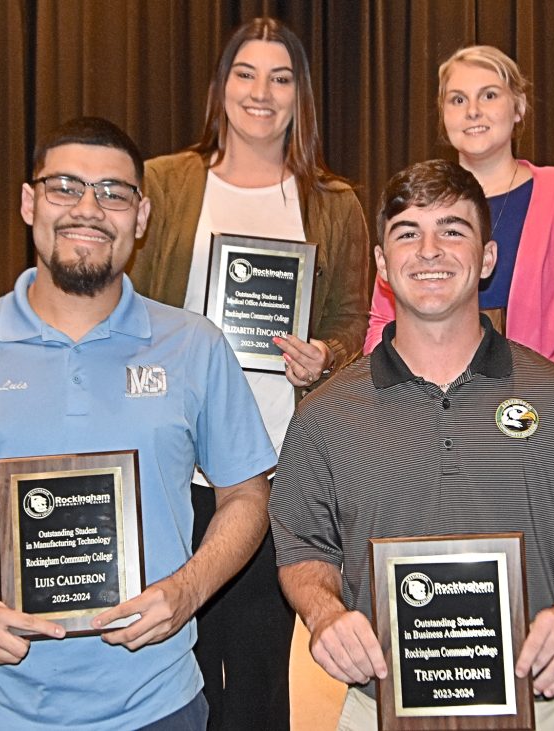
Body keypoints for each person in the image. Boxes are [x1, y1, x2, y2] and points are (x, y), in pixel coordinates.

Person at [0, 116, 277, 731]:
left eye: (113, 193)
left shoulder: (194, 345)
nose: (89, 208)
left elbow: (247, 494)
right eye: (65, 187)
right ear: (30, 203)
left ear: (139, 220)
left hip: (157, 705)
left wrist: (189, 591)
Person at [271, 159, 554, 730]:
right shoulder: (324, 414)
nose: (429, 250)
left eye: (453, 230)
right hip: (378, 707)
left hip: (542, 705)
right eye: (407, 233)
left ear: (487, 257)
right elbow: (302, 549)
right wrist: (324, 614)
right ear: (383, 264)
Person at [130, 17, 370, 730]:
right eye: (245, 73)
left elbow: (352, 320)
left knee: (262, 666)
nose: (261, 92)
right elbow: (126, 304)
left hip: (276, 467)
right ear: (221, 87)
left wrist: (326, 354)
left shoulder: (335, 202)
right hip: (174, 464)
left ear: (301, 96)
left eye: (281, 77)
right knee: (180, 655)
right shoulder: (165, 184)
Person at [365, 45, 554, 399]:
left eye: (489, 95)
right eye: (457, 100)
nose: (473, 111)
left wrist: (542, 393)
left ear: (518, 106)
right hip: (432, 417)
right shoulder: (414, 201)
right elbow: (384, 321)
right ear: (443, 116)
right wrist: (394, 400)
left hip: (545, 419)